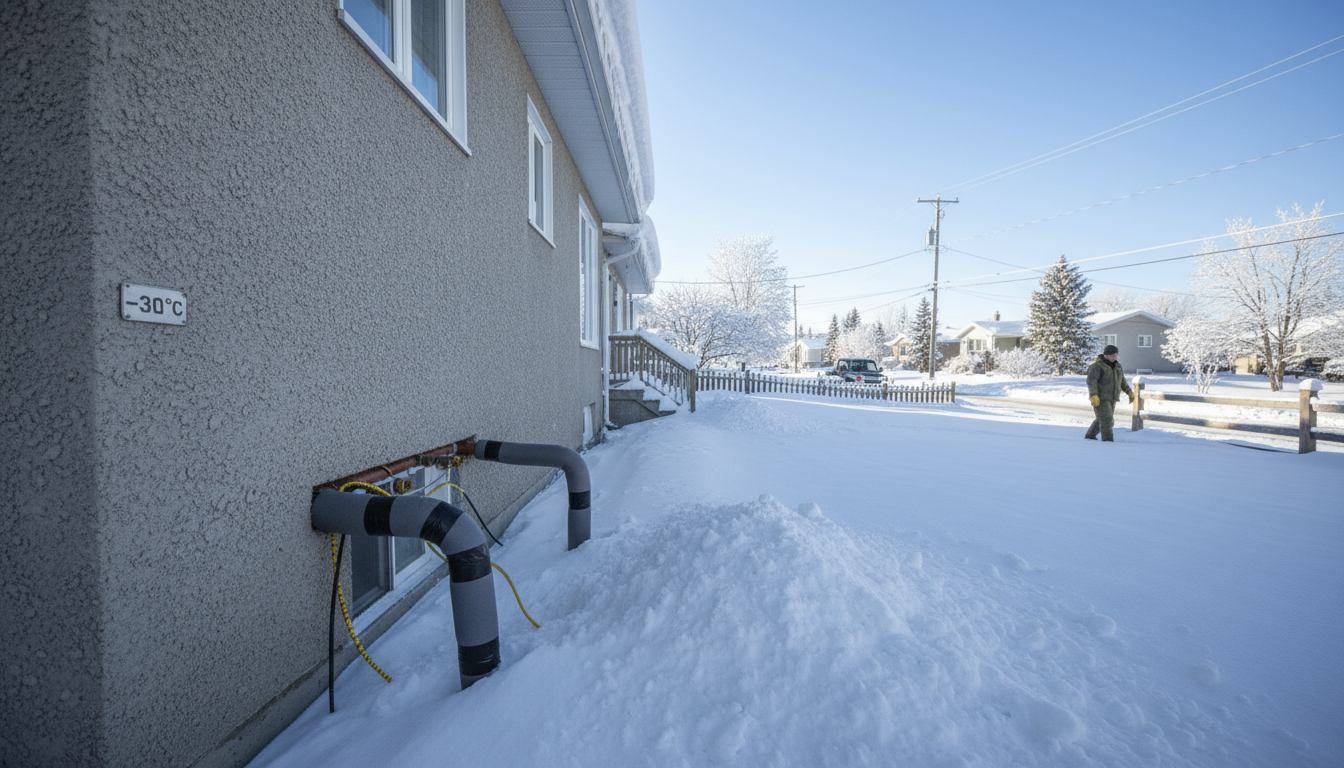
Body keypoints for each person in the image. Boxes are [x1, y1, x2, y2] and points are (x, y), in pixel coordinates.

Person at [1085, 344, 1134, 442]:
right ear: (1106, 355)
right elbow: (1091, 381)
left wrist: (1129, 392)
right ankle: (1108, 442)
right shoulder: (1097, 366)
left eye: (1115, 355)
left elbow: (1122, 381)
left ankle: (1090, 435)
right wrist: (1093, 395)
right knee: (1107, 420)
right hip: (1101, 398)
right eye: (1112, 355)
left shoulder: (1117, 366)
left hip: (1113, 397)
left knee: (1103, 419)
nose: (1114, 357)